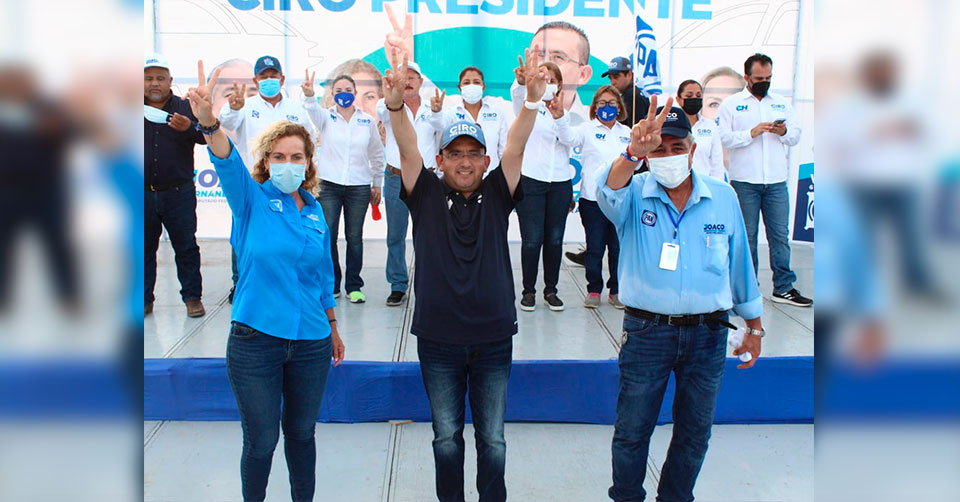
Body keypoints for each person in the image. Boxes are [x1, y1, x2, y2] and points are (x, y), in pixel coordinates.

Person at [382, 43, 546, 502]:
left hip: (493, 338)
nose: (465, 161)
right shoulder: (424, 193)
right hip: (438, 340)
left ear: (486, 161)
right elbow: (407, 146)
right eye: (455, 153)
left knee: (493, 439)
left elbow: (516, 144)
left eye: (474, 152)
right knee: (446, 437)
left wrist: (532, 102)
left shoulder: (498, 193)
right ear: (440, 161)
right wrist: (395, 106)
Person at [186, 60, 345, 502]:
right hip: (256, 341)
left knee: (302, 435)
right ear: (265, 161)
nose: (287, 164)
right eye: (279, 156)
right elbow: (224, 158)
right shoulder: (250, 200)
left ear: (308, 163)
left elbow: (321, 275)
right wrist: (209, 123)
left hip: (312, 341)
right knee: (261, 442)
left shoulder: (315, 210)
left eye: (296, 157)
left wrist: (333, 326)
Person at [595, 97, 765, 502]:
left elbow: (740, 264)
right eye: (659, 149)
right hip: (647, 333)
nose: (668, 155)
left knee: (695, 432)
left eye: (677, 147)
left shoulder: (723, 196)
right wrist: (632, 153)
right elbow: (606, 190)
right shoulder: (633, 194)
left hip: (709, 335)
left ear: (692, 149)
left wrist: (754, 326)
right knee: (632, 430)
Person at [718, 53, 812, 306]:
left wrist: (784, 131)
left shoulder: (781, 103)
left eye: (768, 78)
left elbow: (795, 136)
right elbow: (724, 138)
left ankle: (783, 287)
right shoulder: (731, 104)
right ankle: (748, 289)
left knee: (780, 236)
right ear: (747, 77)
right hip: (744, 182)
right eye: (759, 78)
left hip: (776, 182)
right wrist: (751, 132)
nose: (764, 82)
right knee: (747, 237)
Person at [303, 73, 385, 303]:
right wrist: (309, 95)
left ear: (355, 93)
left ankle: (354, 286)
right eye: (338, 91)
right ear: (332, 94)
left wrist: (377, 184)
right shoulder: (325, 117)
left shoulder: (366, 121)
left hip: (359, 186)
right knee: (328, 235)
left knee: (354, 237)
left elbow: (377, 154)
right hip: (328, 185)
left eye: (348, 90)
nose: (343, 94)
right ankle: (331, 285)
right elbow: (311, 109)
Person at [555, 85, 631, 309]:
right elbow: (567, 138)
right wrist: (560, 117)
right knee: (595, 247)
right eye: (602, 103)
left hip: (620, 200)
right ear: (595, 107)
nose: (607, 107)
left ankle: (616, 290)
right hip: (592, 200)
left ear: (619, 107)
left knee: (617, 248)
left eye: (612, 103)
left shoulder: (627, 133)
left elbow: (635, 162)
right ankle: (594, 289)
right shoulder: (586, 129)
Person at [143, 53, 206, 318]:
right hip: (141, 193)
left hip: (179, 193)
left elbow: (206, 136)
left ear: (170, 81)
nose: (154, 83)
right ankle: (143, 299)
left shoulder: (185, 107)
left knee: (186, 247)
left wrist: (189, 127)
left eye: (160, 78)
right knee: (142, 249)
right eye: (148, 78)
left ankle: (192, 298)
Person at [376, 60, 438, 307]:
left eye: (413, 77)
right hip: (396, 177)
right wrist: (394, 95)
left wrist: (438, 114)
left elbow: (442, 133)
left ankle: (429, 284)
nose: (408, 82)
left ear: (421, 82)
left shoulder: (433, 108)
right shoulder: (387, 105)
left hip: (427, 178)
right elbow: (384, 111)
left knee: (429, 235)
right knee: (395, 235)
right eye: (404, 77)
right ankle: (398, 285)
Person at [513, 61, 572, 312]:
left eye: (552, 80)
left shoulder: (564, 113)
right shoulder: (528, 106)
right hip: (531, 180)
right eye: (543, 79)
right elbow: (518, 95)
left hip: (560, 182)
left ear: (559, 85)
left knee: (555, 240)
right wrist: (522, 83)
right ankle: (528, 291)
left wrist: (559, 117)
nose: (547, 84)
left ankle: (551, 290)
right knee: (531, 240)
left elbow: (568, 140)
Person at [427, 66, 509, 174]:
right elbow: (438, 125)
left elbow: (504, 150)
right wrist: (436, 112)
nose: (471, 86)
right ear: (459, 87)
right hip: (460, 176)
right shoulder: (451, 113)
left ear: (483, 86)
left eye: (476, 82)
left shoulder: (497, 113)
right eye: (466, 82)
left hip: (491, 177)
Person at [510, 21, 593, 122]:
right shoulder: (505, 118)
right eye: (538, 55)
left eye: (558, 57)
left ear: (583, 75)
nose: (545, 65)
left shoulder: (594, 124)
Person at [677, 79, 726, 181]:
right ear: (679, 99)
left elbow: (716, 163)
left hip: (704, 183)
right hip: (677, 183)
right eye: (689, 96)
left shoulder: (710, 126)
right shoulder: (671, 126)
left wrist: (717, 185)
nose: (694, 99)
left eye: (698, 96)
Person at [601, 56, 650, 127]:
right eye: (610, 78)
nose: (612, 82)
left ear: (629, 75)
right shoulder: (634, 93)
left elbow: (633, 128)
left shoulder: (632, 96)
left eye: (616, 77)